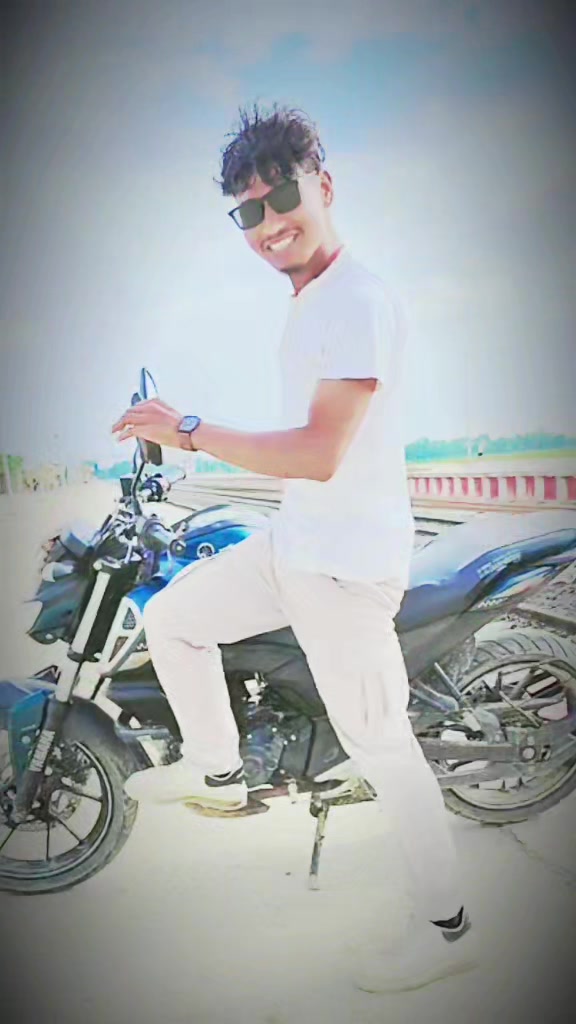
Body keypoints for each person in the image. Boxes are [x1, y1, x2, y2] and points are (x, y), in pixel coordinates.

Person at [112, 103, 479, 992]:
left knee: (382, 747)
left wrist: (188, 429)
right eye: (248, 210)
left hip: (346, 570)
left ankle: (449, 931)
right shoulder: (311, 299)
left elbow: (318, 451)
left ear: (324, 186)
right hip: (296, 545)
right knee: (173, 618)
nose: (269, 222)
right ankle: (220, 773)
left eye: (282, 197)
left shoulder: (355, 299)